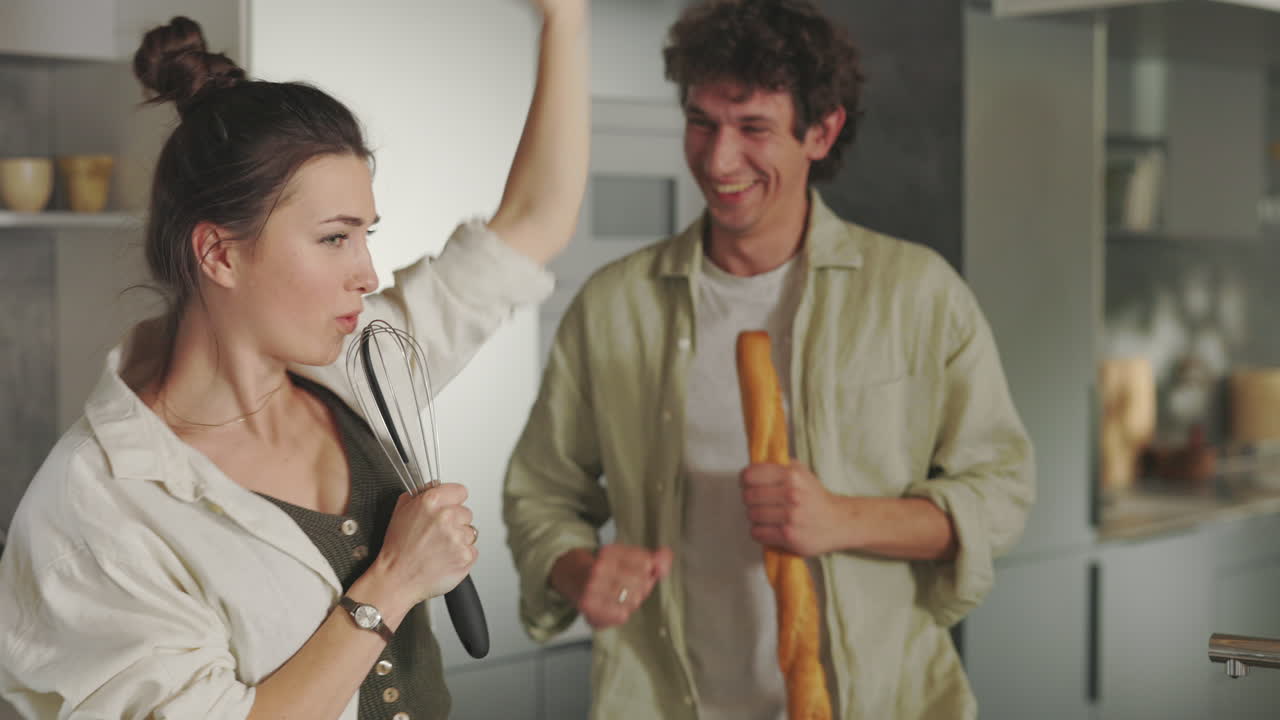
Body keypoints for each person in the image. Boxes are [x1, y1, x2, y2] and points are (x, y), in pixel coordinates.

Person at [0, 1, 587, 718]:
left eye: (367, 235)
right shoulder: (96, 507)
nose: (367, 274)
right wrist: (394, 580)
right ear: (219, 254)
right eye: (336, 238)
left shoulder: (363, 368)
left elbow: (534, 222)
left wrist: (565, 20)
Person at [502, 0, 1035, 718]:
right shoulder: (613, 306)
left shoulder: (918, 294)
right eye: (701, 123)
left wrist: (843, 518)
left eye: (753, 128)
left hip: (889, 701)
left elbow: (1001, 492)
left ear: (822, 131)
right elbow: (540, 494)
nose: (719, 160)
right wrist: (579, 571)